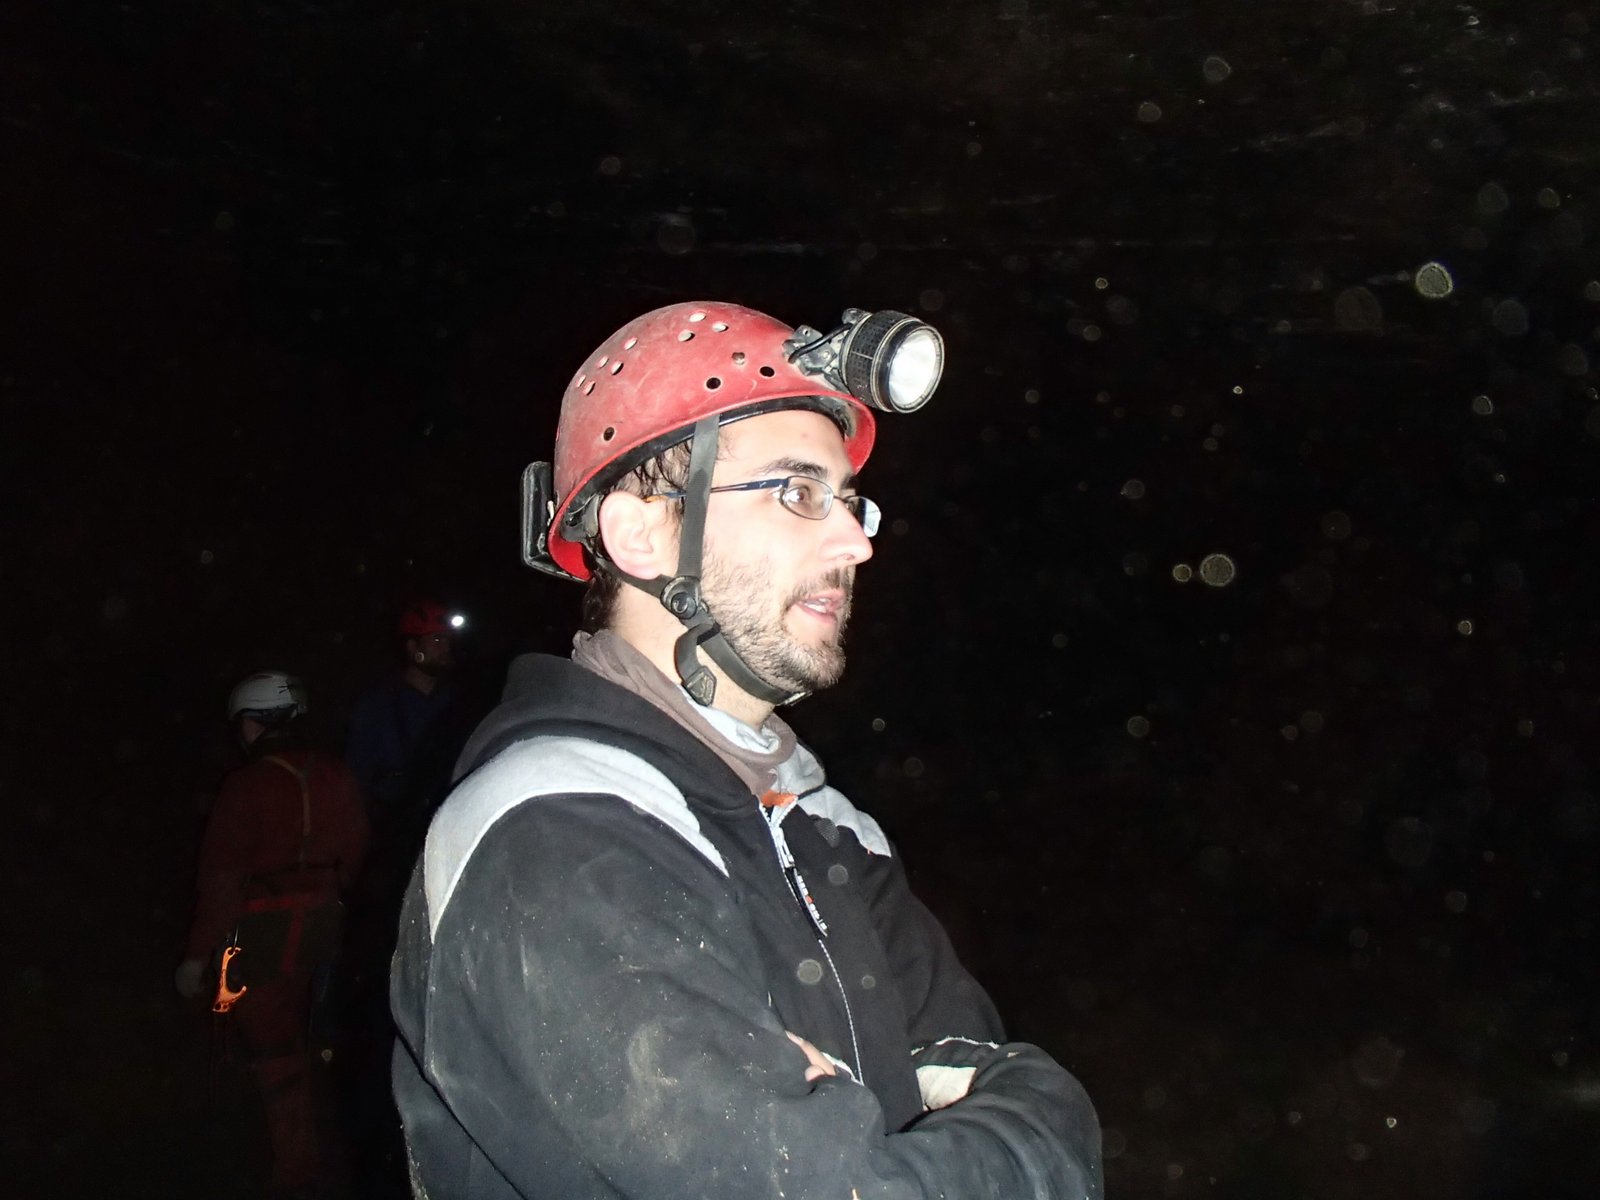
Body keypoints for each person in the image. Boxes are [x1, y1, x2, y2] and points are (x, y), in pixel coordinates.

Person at [391, 301, 1103, 1198]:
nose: (855, 542)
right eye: (798, 493)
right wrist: (1042, 1120)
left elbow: (974, 1066)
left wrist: (1006, 1110)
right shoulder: (546, 833)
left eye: (850, 502)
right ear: (641, 534)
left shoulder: (831, 829)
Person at [177, 670, 369, 1199]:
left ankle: (293, 1161)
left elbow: (220, 878)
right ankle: (319, 1139)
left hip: (263, 930)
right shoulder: (336, 775)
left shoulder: (247, 786)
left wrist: (196, 956)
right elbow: (355, 856)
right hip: (325, 923)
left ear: (253, 723)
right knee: (310, 1030)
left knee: (269, 1039)